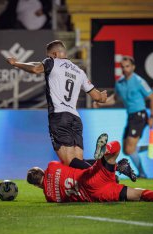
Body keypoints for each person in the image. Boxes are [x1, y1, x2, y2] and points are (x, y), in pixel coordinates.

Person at [6, 40, 108, 170]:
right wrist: (103, 97)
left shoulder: (52, 62)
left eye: (48, 56)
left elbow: (35, 68)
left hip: (59, 116)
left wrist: (16, 63)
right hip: (75, 118)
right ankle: (106, 167)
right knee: (77, 163)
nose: (47, 58)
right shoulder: (79, 71)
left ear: (53, 54)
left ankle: (107, 168)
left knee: (70, 161)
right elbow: (97, 97)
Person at [27, 133, 153, 203]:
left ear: (36, 185)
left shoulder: (50, 197)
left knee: (137, 194)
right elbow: (75, 163)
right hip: (91, 177)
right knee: (117, 147)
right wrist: (97, 165)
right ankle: (107, 155)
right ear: (42, 170)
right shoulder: (52, 165)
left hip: (95, 194)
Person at [93, 55, 153, 179]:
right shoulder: (119, 83)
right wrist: (100, 103)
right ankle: (147, 148)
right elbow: (114, 99)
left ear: (133, 67)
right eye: (122, 67)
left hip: (140, 115)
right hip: (131, 117)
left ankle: (143, 174)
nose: (125, 69)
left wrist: (152, 116)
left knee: (129, 148)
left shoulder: (139, 81)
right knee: (127, 150)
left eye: (127, 66)